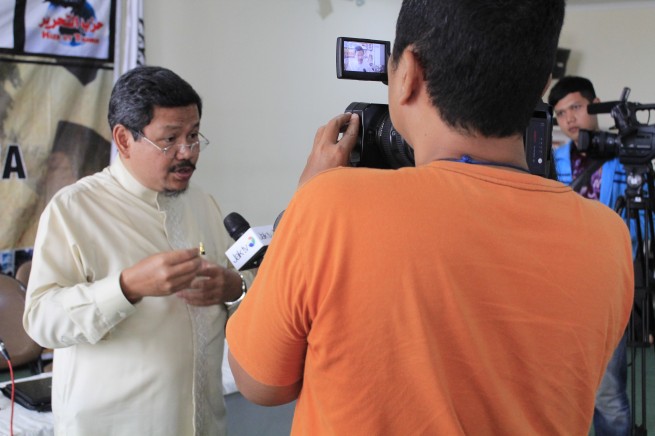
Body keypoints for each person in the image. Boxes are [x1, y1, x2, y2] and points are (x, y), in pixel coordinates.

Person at [226, 1, 634, 434]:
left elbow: (259, 383)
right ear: (543, 82)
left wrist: (304, 199)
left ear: (408, 74)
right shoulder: (607, 237)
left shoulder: (329, 206)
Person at [23, 66, 250, 435]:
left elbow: (242, 288)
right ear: (124, 139)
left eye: (194, 135)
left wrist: (233, 287)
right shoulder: (74, 209)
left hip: (205, 423)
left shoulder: (202, 204)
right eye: (170, 139)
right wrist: (126, 287)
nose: (187, 152)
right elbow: (41, 321)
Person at [548, 76, 631, 436]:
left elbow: (642, 221)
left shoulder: (624, 157)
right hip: (561, 286)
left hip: (609, 284)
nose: (569, 118)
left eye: (576, 107)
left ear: (595, 105)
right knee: (560, 388)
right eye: (561, 113)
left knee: (608, 392)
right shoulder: (552, 161)